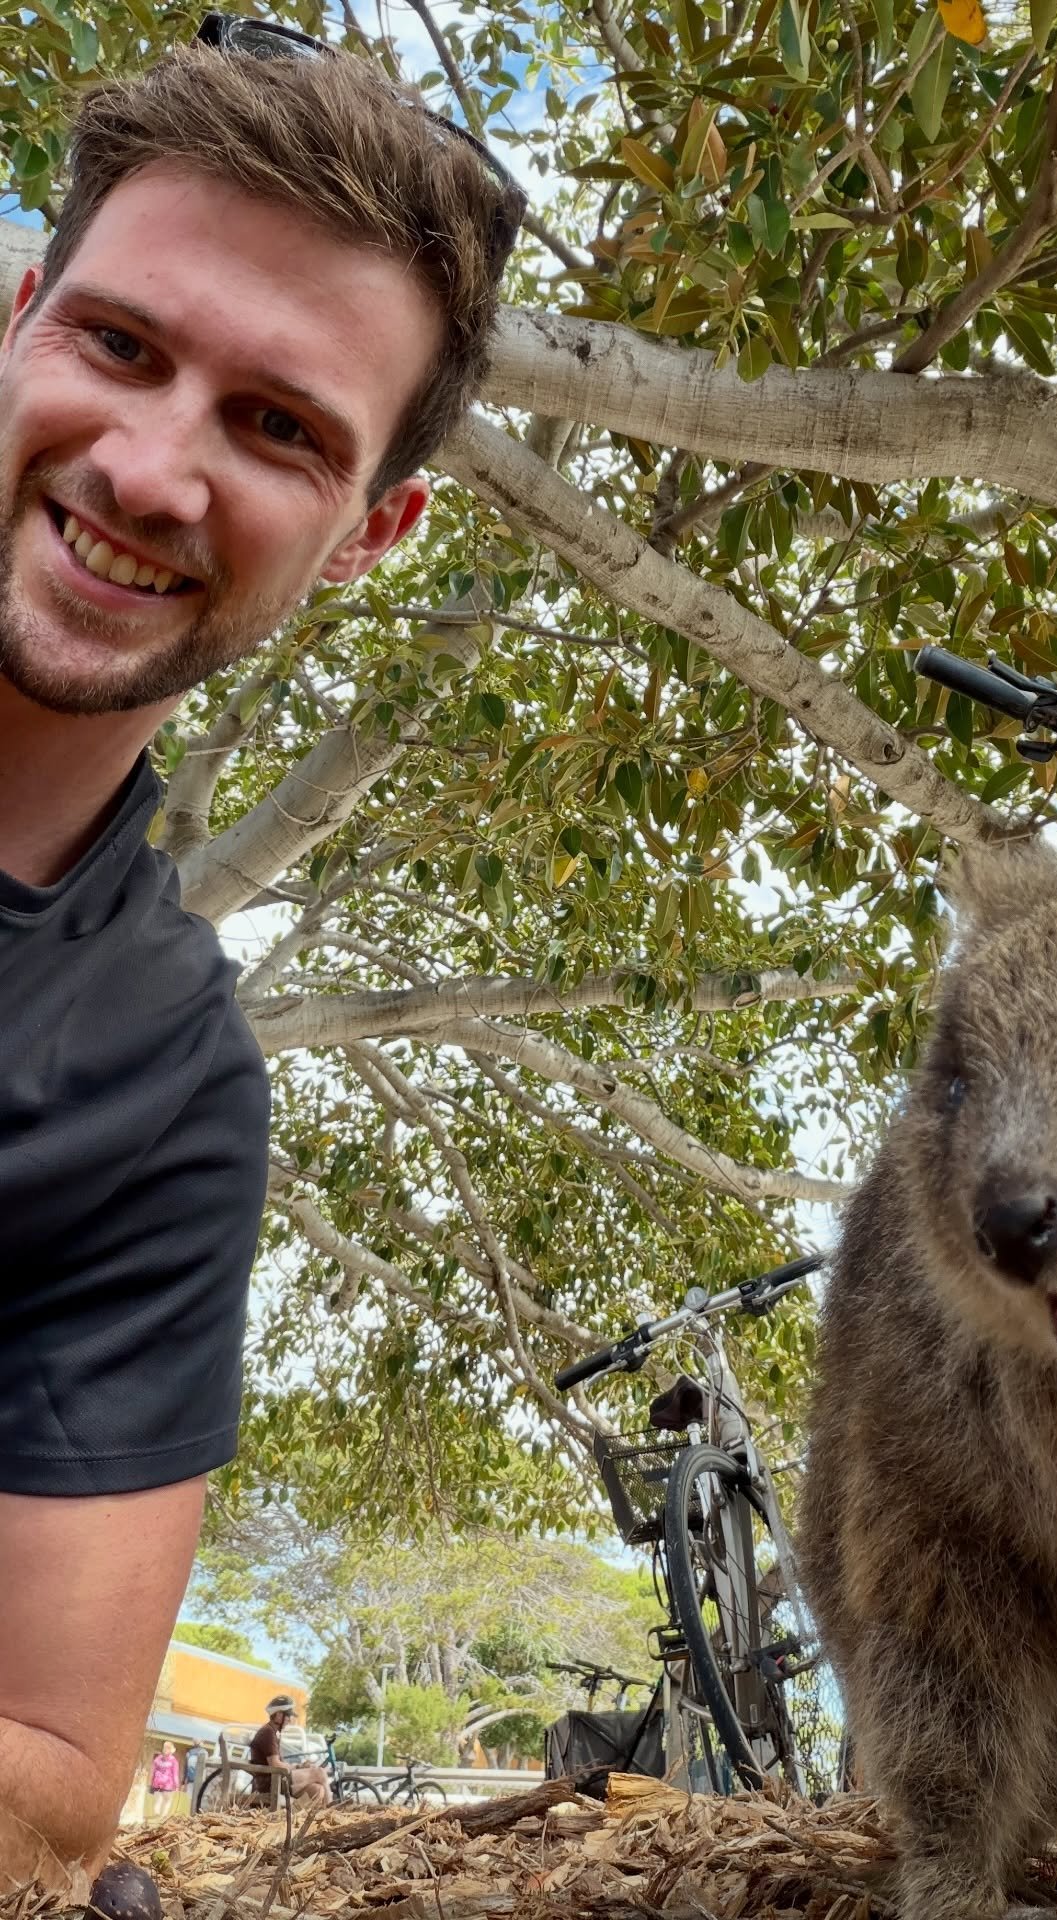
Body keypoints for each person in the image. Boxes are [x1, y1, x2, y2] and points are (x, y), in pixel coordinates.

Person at [0, 16, 524, 1896]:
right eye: (121, 345)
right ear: (18, 309)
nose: (150, 470)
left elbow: (56, 1776)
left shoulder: (161, 1090)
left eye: (277, 425)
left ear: (371, 533)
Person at [248, 1697, 330, 1808]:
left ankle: (299, 1817)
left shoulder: (272, 1732)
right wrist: (298, 1767)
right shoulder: (268, 1733)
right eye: (288, 1715)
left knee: (317, 1789)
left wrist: (301, 1766)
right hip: (270, 1782)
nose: (290, 1720)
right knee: (319, 1773)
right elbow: (275, 1764)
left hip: (276, 1778)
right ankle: (331, 1808)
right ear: (278, 1715)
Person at [146, 1744, 180, 1821]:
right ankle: (163, 1816)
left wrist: (150, 1782)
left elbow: (152, 1771)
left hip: (157, 1783)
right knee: (168, 1800)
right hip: (168, 1784)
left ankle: (156, 1812)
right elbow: (175, 1775)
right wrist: (177, 1785)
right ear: (172, 1750)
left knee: (158, 1800)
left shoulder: (157, 1759)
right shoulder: (174, 1761)